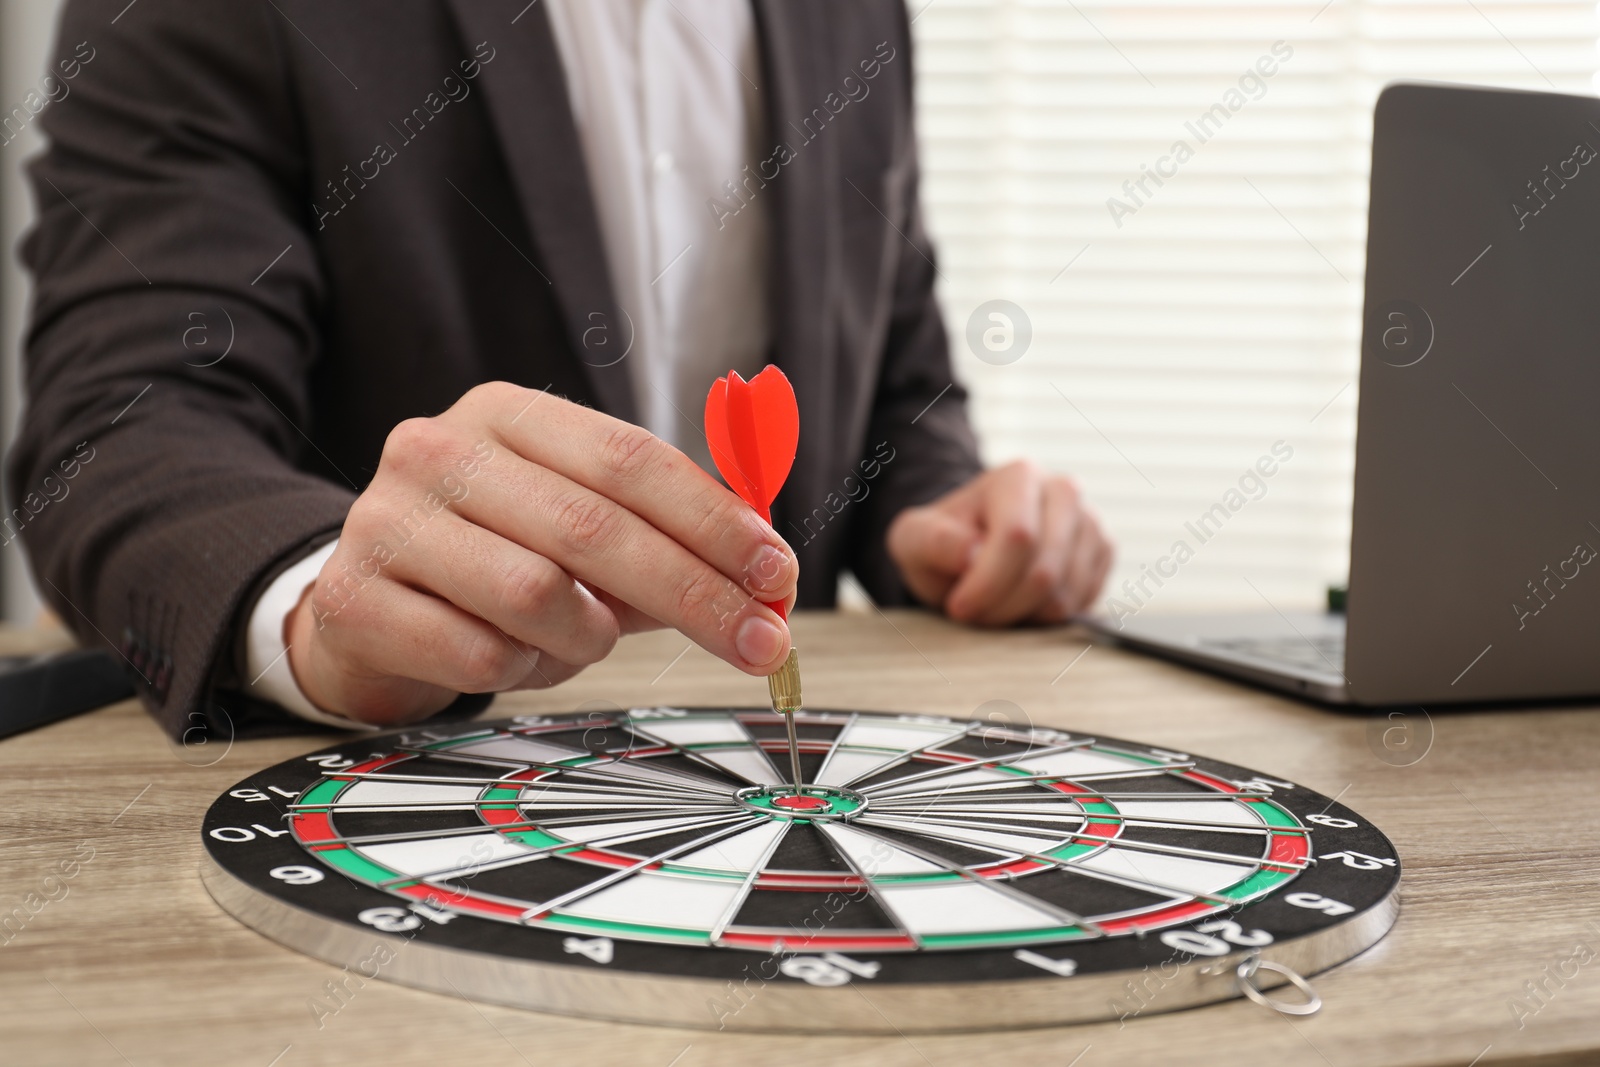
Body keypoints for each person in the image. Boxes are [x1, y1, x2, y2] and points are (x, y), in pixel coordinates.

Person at [8, 0, 1112, 739]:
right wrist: (317, 600)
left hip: (783, 810)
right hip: (425, 808)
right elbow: (123, 418)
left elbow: (891, 361)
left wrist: (939, 509)